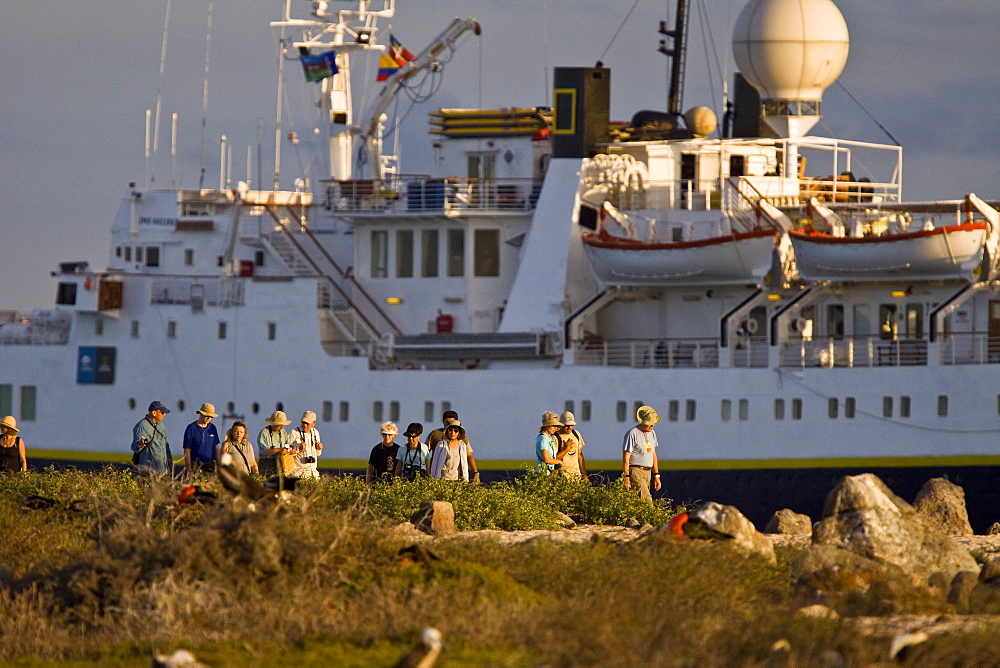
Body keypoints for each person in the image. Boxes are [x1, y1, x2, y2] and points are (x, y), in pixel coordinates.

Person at [425, 410, 479, 482]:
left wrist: (475, 472)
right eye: (447, 423)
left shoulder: (462, 440)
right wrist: (427, 472)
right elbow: (425, 452)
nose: (452, 432)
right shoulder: (435, 434)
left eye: (452, 423)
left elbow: (468, 454)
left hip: (457, 476)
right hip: (440, 474)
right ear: (443, 421)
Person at [622, 405, 662, 502]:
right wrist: (626, 478)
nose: (652, 426)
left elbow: (653, 454)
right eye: (649, 424)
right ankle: (652, 517)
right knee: (647, 500)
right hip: (636, 471)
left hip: (647, 472)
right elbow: (626, 458)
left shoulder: (652, 433)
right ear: (643, 423)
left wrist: (656, 475)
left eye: (653, 424)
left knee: (639, 501)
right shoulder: (632, 434)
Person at [131, 400, 173, 475]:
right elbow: (135, 447)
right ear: (154, 413)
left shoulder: (161, 426)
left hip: (162, 473)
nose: (164, 414)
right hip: (147, 473)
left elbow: (166, 447)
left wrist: (170, 467)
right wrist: (140, 444)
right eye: (162, 412)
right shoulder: (142, 426)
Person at [182, 403, 221, 476]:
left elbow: (216, 448)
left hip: (210, 464)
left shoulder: (212, 428)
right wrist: (189, 468)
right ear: (201, 414)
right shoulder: (191, 428)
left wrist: (220, 466)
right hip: (196, 464)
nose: (209, 418)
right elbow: (187, 449)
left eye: (211, 417)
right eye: (207, 416)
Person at [288, 410, 323, 478]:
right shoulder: (294, 432)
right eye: (303, 422)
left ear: (314, 423)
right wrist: (299, 449)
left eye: (307, 423)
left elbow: (318, 454)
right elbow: (287, 452)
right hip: (298, 473)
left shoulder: (316, 433)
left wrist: (319, 448)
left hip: (313, 473)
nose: (304, 425)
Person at [257, 410, 292, 477]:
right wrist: (278, 450)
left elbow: (288, 444)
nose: (282, 427)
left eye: (283, 425)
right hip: (267, 463)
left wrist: (290, 448)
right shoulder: (264, 433)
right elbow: (263, 453)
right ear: (273, 424)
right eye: (279, 425)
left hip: (281, 463)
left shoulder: (283, 432)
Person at [556, 411, 588, 479]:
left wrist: (584, 475)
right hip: (562, 477)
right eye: (567, 425)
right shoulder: (555, 437)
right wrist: (567, 449)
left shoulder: (576, 434)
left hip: (576, 476)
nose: (570, 427)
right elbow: (553, 458)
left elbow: (580, 455)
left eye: (572, 425)